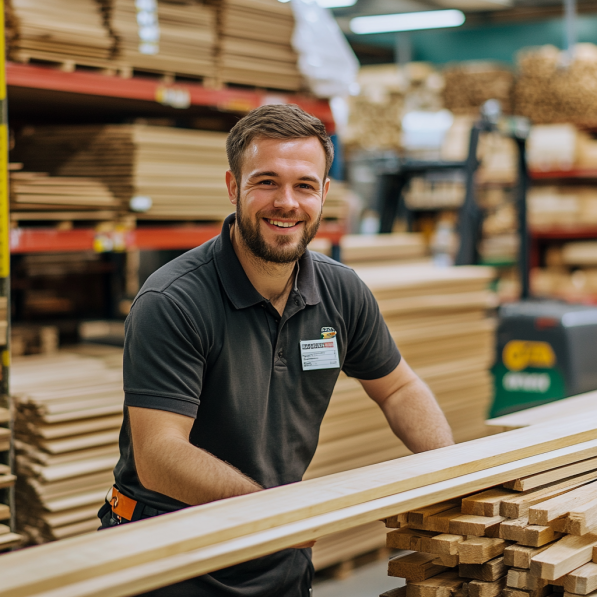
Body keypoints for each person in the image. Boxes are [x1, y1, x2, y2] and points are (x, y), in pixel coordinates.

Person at [98, 104, 454, 596]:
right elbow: (159, 455)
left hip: (273, 553)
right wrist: (274, 511)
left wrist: (452, 474)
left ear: (325, 194)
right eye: (266, 182)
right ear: (232, 187)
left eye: (304, 185)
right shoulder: (173, 300)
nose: (287, 202)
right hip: (169, 555)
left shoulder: (341, 292)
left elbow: (397, 388)